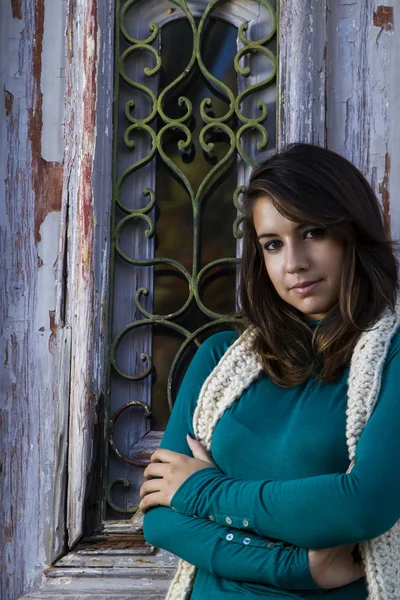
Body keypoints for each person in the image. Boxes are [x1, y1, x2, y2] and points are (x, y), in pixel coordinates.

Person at [139, 143, 400, 600]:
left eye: (314, 233)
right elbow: (160, 517)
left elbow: (362, 506)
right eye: (273, 244)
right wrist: (296, 566)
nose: (293, 262)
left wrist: (203, 492)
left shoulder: (391, 357)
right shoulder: (219, 359)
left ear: (352, 233)